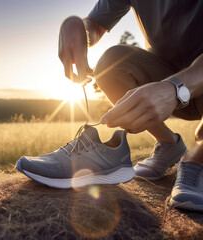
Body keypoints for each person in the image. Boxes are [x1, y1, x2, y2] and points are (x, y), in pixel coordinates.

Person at [57, 0, 203, 211]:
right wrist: (78, 25)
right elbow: (95, 26)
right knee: (110, 63)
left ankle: (197, 159)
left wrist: (175, 88)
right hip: (163, 75)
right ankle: (169, 143)